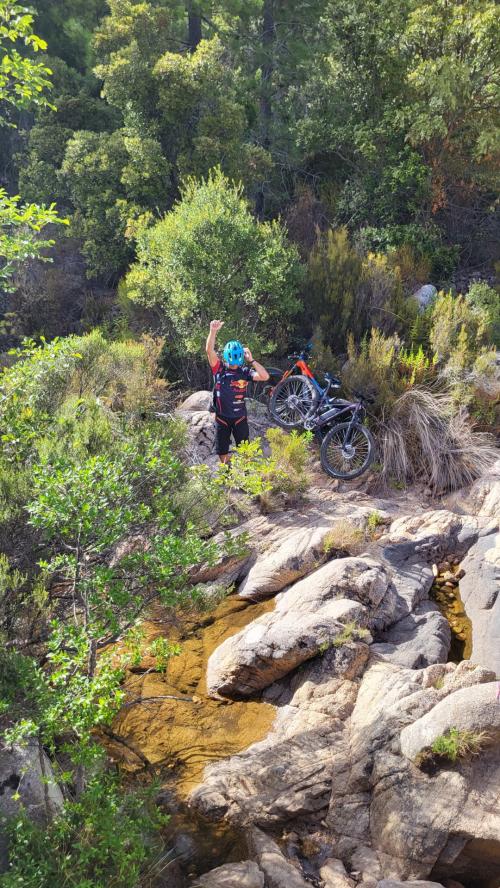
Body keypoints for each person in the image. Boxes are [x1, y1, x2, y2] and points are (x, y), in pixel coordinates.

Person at [205, 319, 269, 463]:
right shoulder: (219, 369)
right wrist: (213, 331)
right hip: (222, 418)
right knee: (222, 452)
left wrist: (252, 360)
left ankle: (246, 478)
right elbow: (209, 350)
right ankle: (228, 474)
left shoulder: (245, 372)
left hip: (240, 418)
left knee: (245, 451)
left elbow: (264, 376)